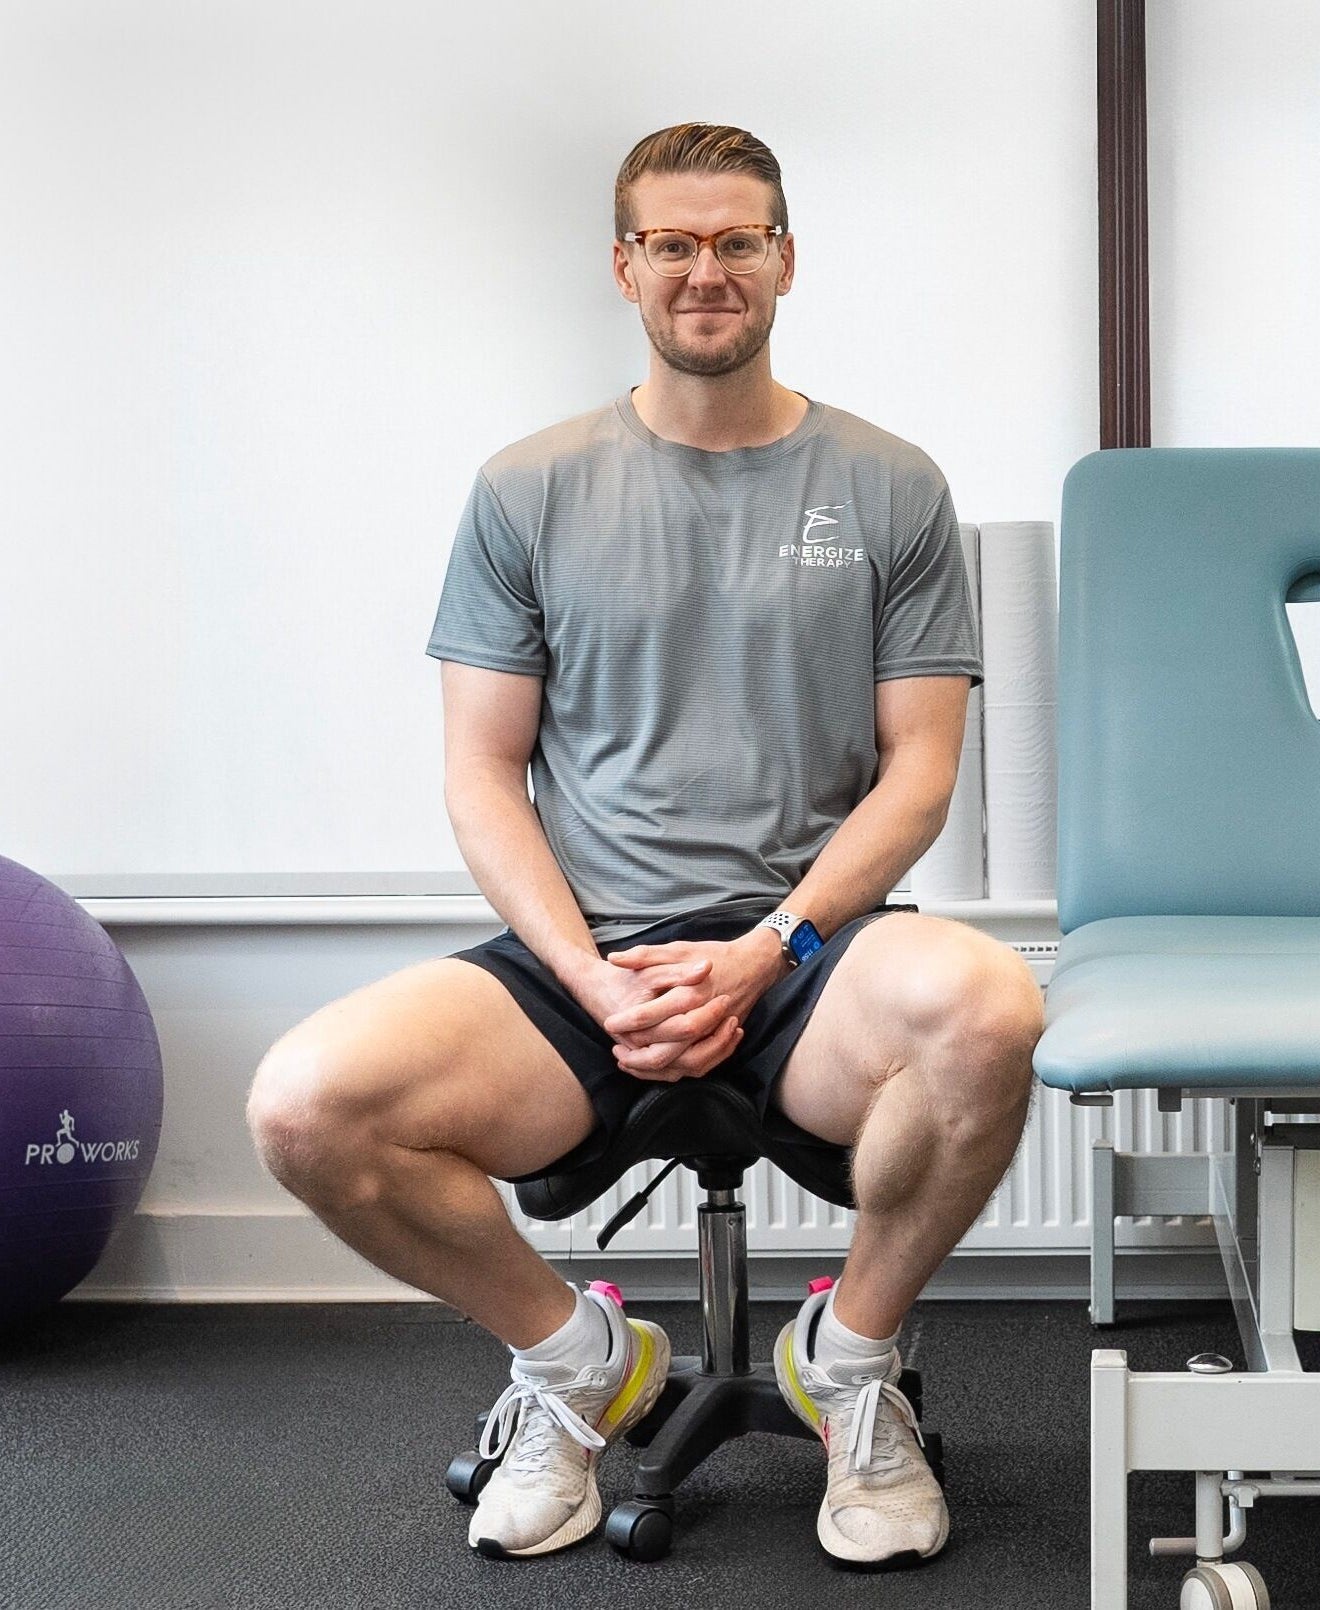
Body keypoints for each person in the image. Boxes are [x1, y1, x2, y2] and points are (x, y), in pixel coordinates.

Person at [246, 122, 1043, 1570]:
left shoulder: (891, 485)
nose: (706, 271)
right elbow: (482, 775)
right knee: (306, 1105)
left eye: (738, 241)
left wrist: (769, 949)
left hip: (811, 955)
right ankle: (574, 1362)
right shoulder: (527, 488)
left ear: (786, 259)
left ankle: (850, 1366)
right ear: (626, 267)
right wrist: (589, 975)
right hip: (589, 958)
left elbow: (920, 777)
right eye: (673, 243)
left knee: (992, 1009)